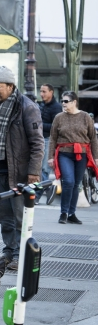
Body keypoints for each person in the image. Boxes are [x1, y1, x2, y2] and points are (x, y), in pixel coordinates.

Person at [0, 66, 44, 271]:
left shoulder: (27, 107)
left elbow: (38, 142)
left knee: (20, 216)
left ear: (10, 86)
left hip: (19, 172)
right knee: (4, 216)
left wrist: (34, 172)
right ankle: (9, 252)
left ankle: (21, 255)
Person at [48, 90, 98, 225]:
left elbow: (93, 138)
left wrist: (96, 157)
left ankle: (71, 213)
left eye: (66, 101)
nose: (63, 103)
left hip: (81, 154)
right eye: (62, 101)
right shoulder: (59, 117)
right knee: (68, 181)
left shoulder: (85, 116)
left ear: (74, 102)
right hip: (64, 153)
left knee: (76, 184)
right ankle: (63, 213)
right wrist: (50, 157)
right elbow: (53, 138)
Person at [36, 83, 62, 205]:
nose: (41, 94)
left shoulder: (56, 107)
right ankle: (48, 188)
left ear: (51, 92)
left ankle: (37, 195)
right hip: (40, 139)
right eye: (41, 91)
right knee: (39, 169)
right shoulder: (41, 105)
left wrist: (39, 125)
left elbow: (56, 127)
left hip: (48, 140)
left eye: (44, 91)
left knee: (43, 170)